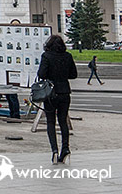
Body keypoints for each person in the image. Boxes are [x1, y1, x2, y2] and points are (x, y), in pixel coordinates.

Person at [37, 34, 77, 165]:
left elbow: (41, 74)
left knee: (50, 122)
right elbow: (73, 75)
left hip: (50, 93)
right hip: (65, 92)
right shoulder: (68, 56)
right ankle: (65, 149)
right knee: (63, 121)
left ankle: (54, 150)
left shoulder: (46, 56)